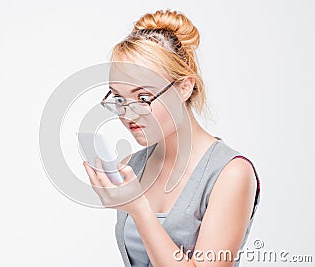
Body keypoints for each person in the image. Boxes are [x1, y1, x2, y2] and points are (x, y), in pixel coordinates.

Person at [83, 9, 260, 267]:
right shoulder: (132, 167)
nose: (127, 113)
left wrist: (139, 208)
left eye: (143, 98)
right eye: (119, 98)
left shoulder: (231, 173)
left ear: (184, 87)